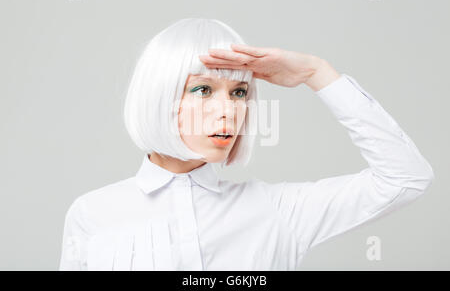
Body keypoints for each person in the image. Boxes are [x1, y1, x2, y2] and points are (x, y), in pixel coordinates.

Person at [59, 18, 434, 270]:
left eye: (239, 92)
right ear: (159, 96)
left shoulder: (277, 210)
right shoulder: (93, 214)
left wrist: (317, 74)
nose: (229, 111)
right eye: (203, 89)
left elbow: (406, 178)